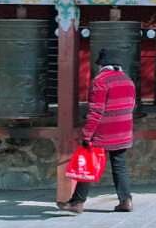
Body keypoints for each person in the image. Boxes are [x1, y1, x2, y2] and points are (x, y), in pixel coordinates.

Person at [58, 47, 137, 213]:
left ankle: (77, 202)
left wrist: (87, 134)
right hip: (123, 130)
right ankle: (126, 200)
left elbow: (96, 111)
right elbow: (131, 105)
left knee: (87, 164)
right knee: (119, 166)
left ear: (102, 65)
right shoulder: (127, 80)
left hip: (103, 131)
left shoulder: (100, 81)